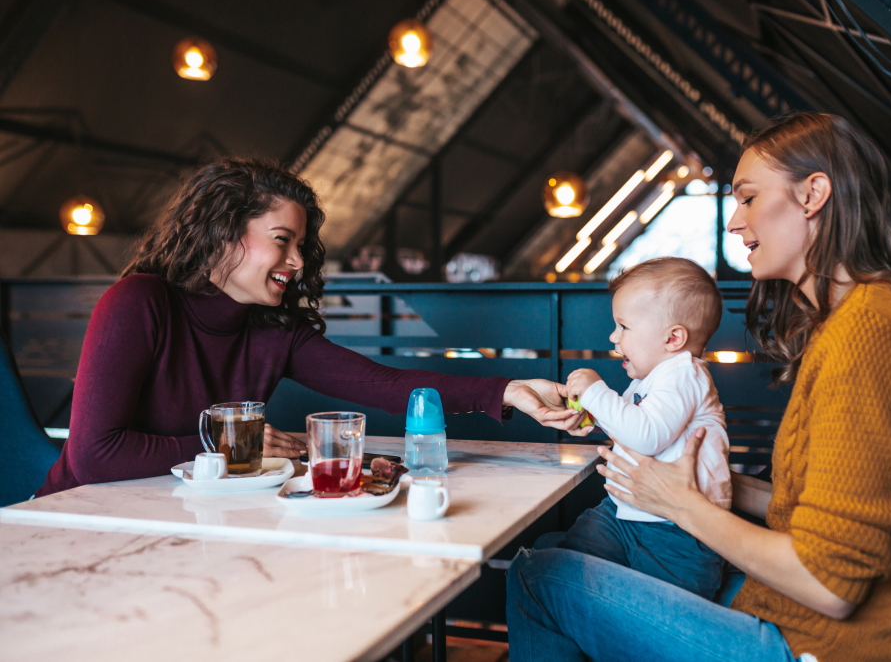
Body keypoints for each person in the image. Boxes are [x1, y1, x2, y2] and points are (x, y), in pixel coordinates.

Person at [509, 112, 891, 662]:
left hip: (831, 645)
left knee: (538, 575)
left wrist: (682, 506)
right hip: (796, 616)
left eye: (747, 198)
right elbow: (823, 513)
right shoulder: (859, 319)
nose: (733, 223)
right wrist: (701, 481)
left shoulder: (867, 335)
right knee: (561, 550)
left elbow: (832, 587)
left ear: (813, 194)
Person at [37, 159, 583, 496]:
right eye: (282, 240)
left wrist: (507, 389)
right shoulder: (138, 303)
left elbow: (383, 385)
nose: (297, 261)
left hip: (185, 520)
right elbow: (93, 456)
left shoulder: (273, 331)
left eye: (301, 245)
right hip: (74, 520)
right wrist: (223, 450)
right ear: (224, 233)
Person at [559, 257, 730, 600]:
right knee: (558, 564)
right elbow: (631, 426)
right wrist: (592, 415)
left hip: (677, 536)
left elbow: (647, 436)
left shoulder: (684, 374)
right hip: (624, 514)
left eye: (624, 326)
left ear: (673, 338)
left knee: (562, 576)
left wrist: (595, 391)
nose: (613, 336)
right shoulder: (651, 379)